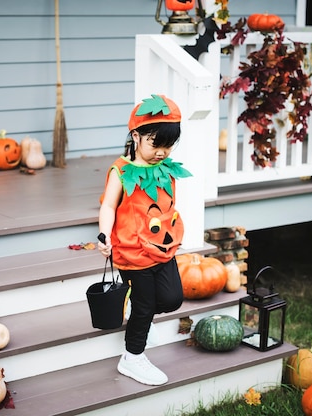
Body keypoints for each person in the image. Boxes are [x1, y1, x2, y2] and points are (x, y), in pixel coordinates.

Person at [97, 94, 192, 386]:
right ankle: (132, 357)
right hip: (131, 252)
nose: (163, 152)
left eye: (169, 145)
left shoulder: (165, 168)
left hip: (163, 248)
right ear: (136, 136)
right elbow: (108, 206)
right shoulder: (121, 171)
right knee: (145, 304)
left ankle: (141, 312)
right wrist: (104, 235)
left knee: (172, 298)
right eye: (156, 144)